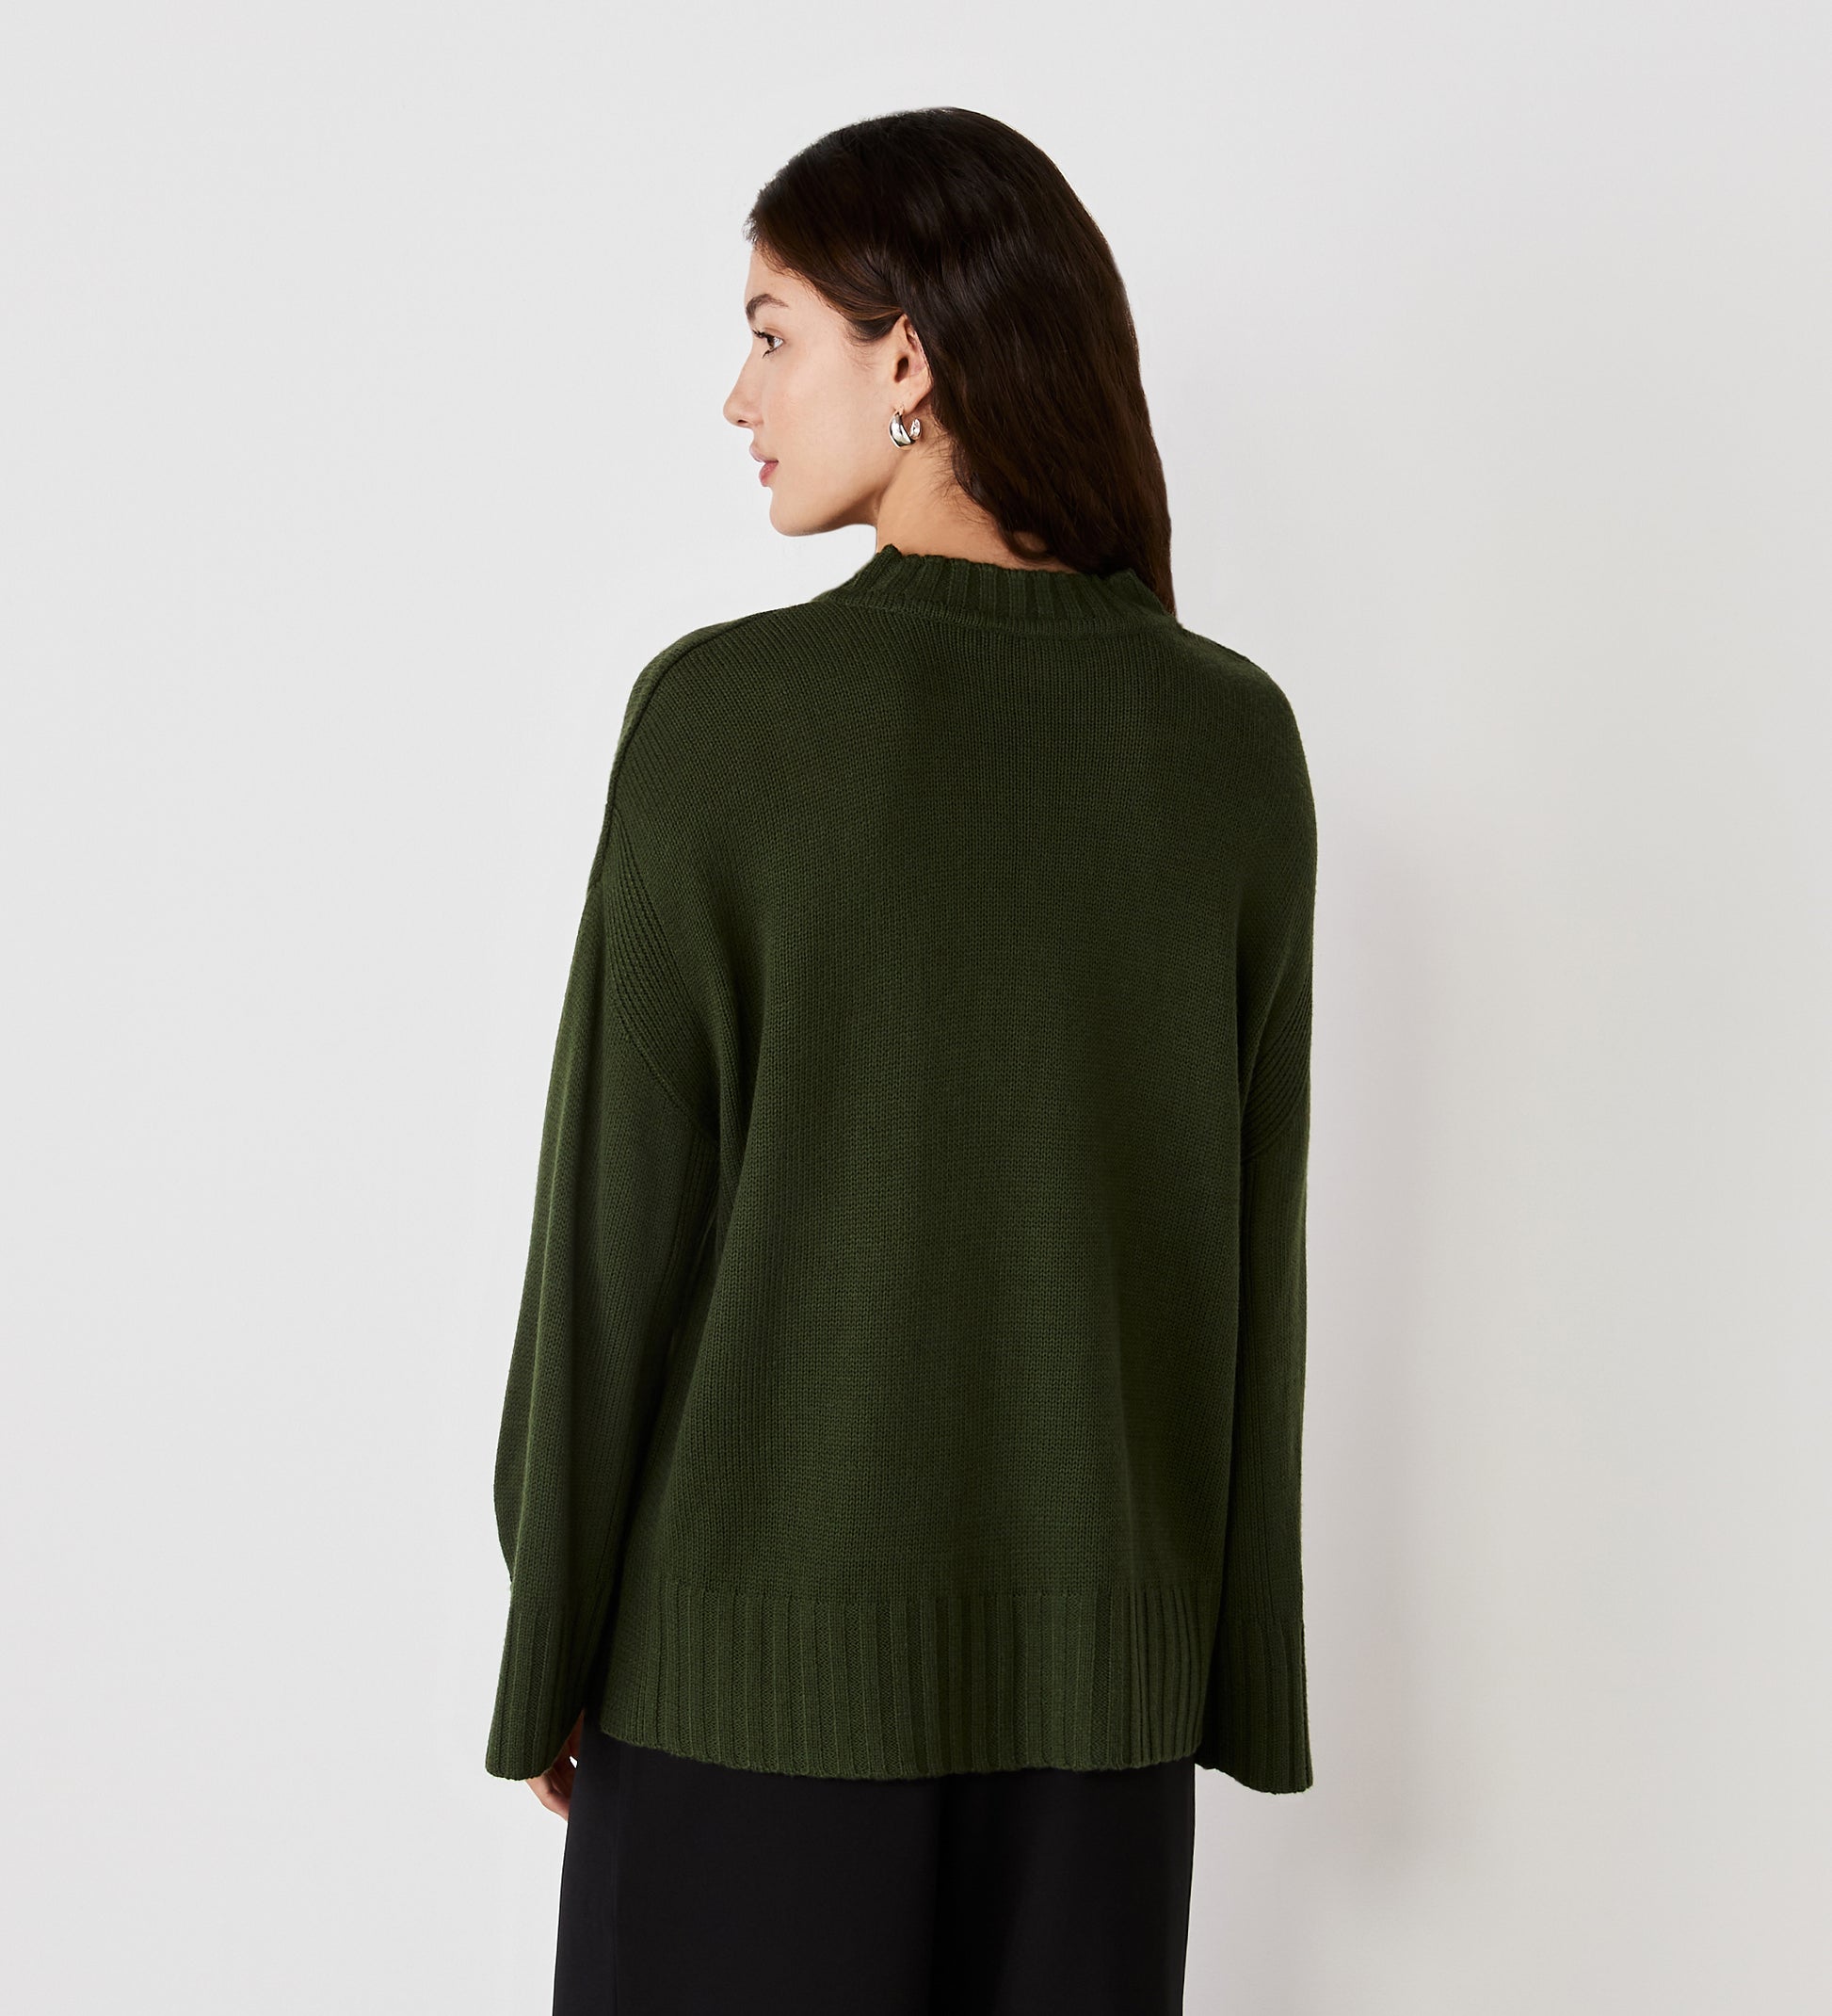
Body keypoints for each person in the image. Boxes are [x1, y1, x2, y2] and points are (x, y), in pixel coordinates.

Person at [485, 106, 1318, 2015]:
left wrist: (551, 1643)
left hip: (739, 1706)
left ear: (911, 360)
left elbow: (609, 1242)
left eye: (772, 333)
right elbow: (1240, 1267)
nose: (738, 395)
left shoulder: (726, 721)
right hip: (1096, 1745)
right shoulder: (1228, 744)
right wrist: (1221, 1675)